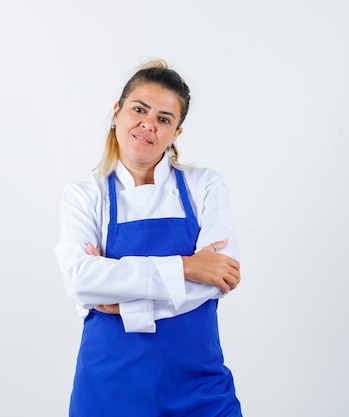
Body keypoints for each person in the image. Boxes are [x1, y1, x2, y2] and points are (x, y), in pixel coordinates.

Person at [54, 59, 242, 417]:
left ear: (176, 134)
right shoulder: (84, 196)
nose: (148, 124)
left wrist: (122, 302)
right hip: (109, 391)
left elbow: (221, 275)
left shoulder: (205, 186)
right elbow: (81, 281)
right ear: (116, 112)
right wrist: (188, 267)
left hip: (200, 390)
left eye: (164, 119)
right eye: (139, 109)